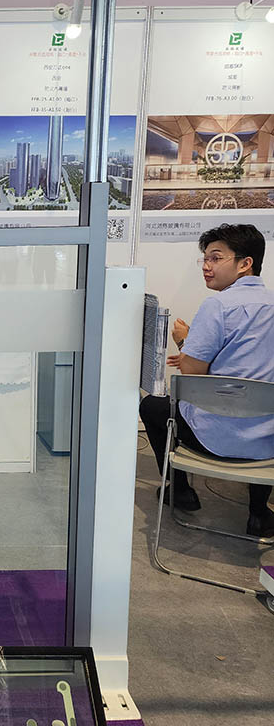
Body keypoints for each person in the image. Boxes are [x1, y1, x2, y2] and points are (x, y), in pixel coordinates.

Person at [139, 223, 274, 538]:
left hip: (215, 437)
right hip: (268, 439)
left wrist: (183, 341)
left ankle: (180, 490)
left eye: (216, 258)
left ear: (245, 263)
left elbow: (192, 372)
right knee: (258, 406)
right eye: (205, 258)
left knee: (153, 406)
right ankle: (258, 513)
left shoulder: (218, 306)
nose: (206, 266)